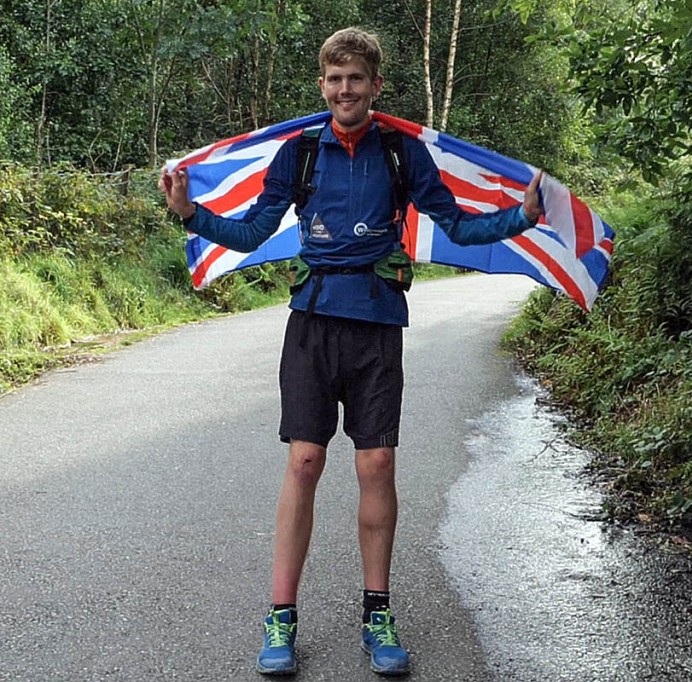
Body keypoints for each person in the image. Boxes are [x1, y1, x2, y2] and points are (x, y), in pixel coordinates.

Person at [159, 27, 542, 677]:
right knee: (304, 462)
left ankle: (378, 613)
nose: (345, 89)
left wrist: (520, 219)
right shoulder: (300, 153)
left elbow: (456, 224)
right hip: (311, 323)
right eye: (335, 79)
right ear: (323, 85)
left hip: (376, 323)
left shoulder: (401, 153)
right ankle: (280, 617)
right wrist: (190, 216)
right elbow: (253, 229)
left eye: (356, 79)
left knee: (377, 465)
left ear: (375, 86)